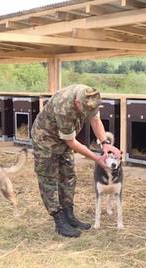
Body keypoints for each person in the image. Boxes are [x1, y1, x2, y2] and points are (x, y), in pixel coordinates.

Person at [31, 84, 121, 237]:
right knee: (49, 178)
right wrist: (97, 158)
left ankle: (69, 214)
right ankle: (59, 219)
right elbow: (71, 142)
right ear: (77, 103)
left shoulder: (90, 96)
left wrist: (105, 144)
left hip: (64, 139)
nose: (88, 113)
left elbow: (95, 120)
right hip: (45, 139)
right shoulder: (63, 106)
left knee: (69, 175)